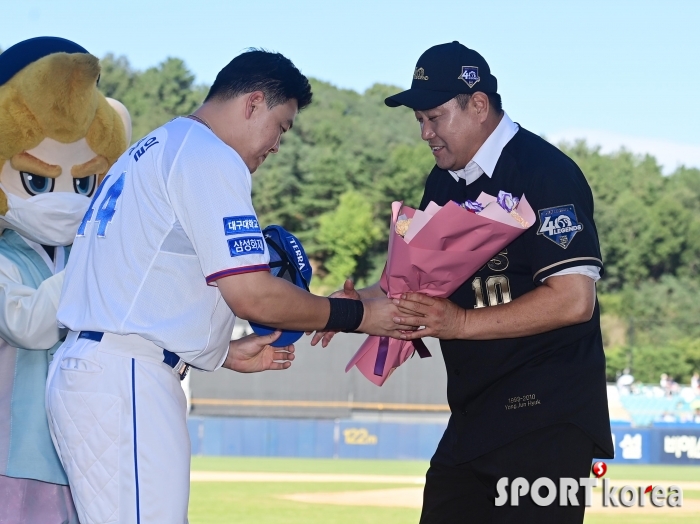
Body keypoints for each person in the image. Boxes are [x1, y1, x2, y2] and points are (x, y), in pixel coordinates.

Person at [45, 49, 407, 524]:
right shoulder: (208, 153)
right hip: (124, 378)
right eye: (282, 126)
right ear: (254, 102)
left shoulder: (159, 145)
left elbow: (147, 282)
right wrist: (359, 316)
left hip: (99, 369)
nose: (278, 144)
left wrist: (217, 351)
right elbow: (252, 294)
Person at [312, 42, 612, 523]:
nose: (426, 133)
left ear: (478, 105)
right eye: (419, 121)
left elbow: (574, 299)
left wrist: (459, 323)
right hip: (477, 416)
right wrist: (356, 306)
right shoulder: (444, 180)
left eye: (434, 117)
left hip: (547, 420)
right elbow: (416, 283)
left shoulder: (546, 172)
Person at [0, 37, 130, 523]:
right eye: (37, 180)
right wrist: (94, 253)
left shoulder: (84, 254)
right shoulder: (7, 258)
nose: (66, 199)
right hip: (16, 459)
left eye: (82, 184)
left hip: (85, 458)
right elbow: (28, 325)